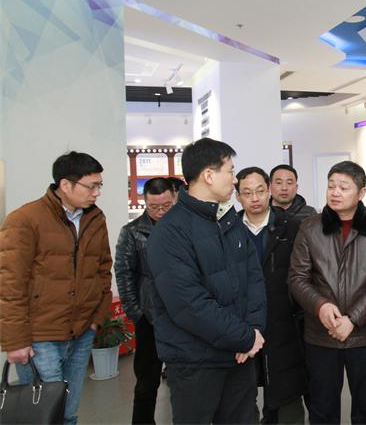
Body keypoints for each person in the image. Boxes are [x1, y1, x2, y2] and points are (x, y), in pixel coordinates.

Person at [145, 138, 267, 424]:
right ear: (209, 175)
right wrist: (245, 336)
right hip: (196, 362)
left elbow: (254, 279)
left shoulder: (229, 221)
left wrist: (254, 331)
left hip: (240, 356)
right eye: (230, 171)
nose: (234, 179)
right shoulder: (171, 231)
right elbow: (188, 304)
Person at [0, 151, 112, 425]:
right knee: (45, 413)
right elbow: (10, 283)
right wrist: (15, 341)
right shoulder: (25, 219)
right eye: (91, 186)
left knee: (69, 413)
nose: (97, 193)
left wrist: (97, 319)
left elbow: (102, 269)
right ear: (65, 184)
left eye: (99, 185)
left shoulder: (95, 218)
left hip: (82, 330)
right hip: (41, 335)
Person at [288, 161, 366, 424]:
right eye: (331, 186)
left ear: (361, 193)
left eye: (343, 187)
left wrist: (353, 319)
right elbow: (297, 278)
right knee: (322, 409)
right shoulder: (309, 227)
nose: (335, 192)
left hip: (365, 336)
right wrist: (321, 306)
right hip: (321, 335)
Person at [235, 167, 307, 424]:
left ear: (269, 192)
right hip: (243, 322)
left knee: (286, 394)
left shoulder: (292, 227)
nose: (254, 198)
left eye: (260, 191)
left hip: (284, 321)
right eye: (247, 193)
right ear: (237, 197)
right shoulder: (228, 230)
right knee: (242, 395)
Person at [114, 177, 175, 425]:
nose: (160, 211)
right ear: (144, 202)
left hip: (182, 314)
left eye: (166, 206)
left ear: (174, 198)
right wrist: (135, 312)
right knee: (146, 382)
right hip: (148, 316)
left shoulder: (184, 227)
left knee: (185, 379)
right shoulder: (132, 231)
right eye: (154, 207)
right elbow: (123, 273)